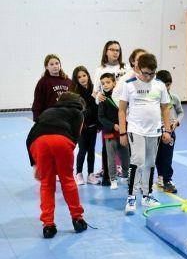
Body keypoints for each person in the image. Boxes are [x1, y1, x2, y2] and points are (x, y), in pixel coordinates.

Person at [26, 92, 88, 238]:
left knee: (46, 183)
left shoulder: (48, 111)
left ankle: (48, 226)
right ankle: (77, 219)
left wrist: (35, 164)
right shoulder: (78, 113)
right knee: (67, 180)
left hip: (38, 142)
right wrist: (62, 160)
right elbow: (75, 137)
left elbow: (30, 137)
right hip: (62, 140)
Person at [118, 53, 172, 214]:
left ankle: (147, 195)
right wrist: (122, 132)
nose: (148, 77)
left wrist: (167, 129)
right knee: (138, 160)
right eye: (145, 73)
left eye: (152, 73)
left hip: (154, 131)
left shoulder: (160, 85)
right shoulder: (129, 85)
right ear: (138, 68)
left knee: (150, 162)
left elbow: (165, 108)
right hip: (136, 129)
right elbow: (121, 110)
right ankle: (132, 197)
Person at [94, 40, 127, 186]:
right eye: (112, 49)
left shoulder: (125, 68)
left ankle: (125, 171)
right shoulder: (99, 69)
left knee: (125, 146)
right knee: (108, 146)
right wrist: (98, 97)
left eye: (117, 50)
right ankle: (107, 171)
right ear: (106, 51)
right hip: (107, 113)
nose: (115, 52)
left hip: (124, 111)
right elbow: (95, 91)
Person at [97, 73, 130, 190]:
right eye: (103, 83)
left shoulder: (121, 97)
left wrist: (123, 126)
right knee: (111, 158)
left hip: (122, 132)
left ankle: (126, 175)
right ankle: (113, 179)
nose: (105, 85)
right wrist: (112, 125)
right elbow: (101, 117)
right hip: (110, 133)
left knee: (125, 155)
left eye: (108, 82)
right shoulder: (102, 99)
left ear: (114, 83)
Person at [155, 70, 184, 193]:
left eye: (168, 84)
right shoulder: (154, 99)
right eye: (164, 85)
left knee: (167, 157)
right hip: (156, 132)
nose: (166, 88)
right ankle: (160, 176)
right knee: (157, 156)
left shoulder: (174, 98)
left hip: (170, 132)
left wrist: (177, 121)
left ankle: (167, 180)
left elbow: (181, 112)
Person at [71, 66, 100, 185]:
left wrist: (98, 124)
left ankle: (91, 174)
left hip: (93, 125)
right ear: (76, 79)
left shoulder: (94, 89)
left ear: (88, 75)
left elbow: (98, 108)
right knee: (82, 149)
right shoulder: (75, 93)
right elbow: (79, 110)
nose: (82, 78)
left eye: (84, 75)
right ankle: (78, 174)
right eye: (79, 77)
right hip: (82, 127)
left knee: (92, 150)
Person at [32, 54, 72, 121]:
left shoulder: (68, 81)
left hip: (66, 117)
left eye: (57, 63)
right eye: (52, 64)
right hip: (50, 118)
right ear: (47, 67)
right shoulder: (43, 82)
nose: (55, 66)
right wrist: (37, 119)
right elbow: (37, 102)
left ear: (60, 65)